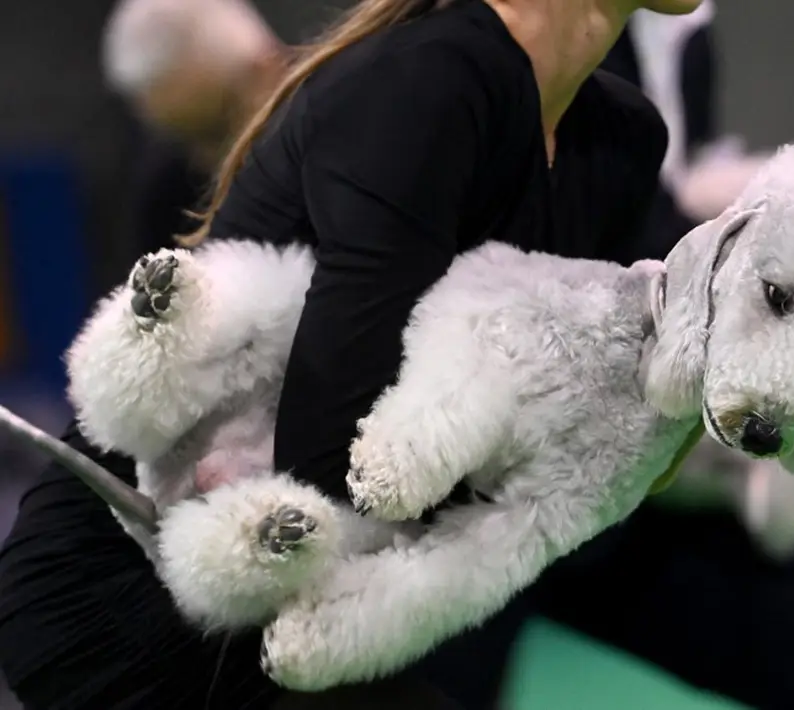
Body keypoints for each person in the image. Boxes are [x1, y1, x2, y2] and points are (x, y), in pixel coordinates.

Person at [0, 0, 701, 707]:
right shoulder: (429, 79)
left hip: (323, 587)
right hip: (129, 596)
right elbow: (326, 457)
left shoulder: (620, 139)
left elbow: (573, 426)